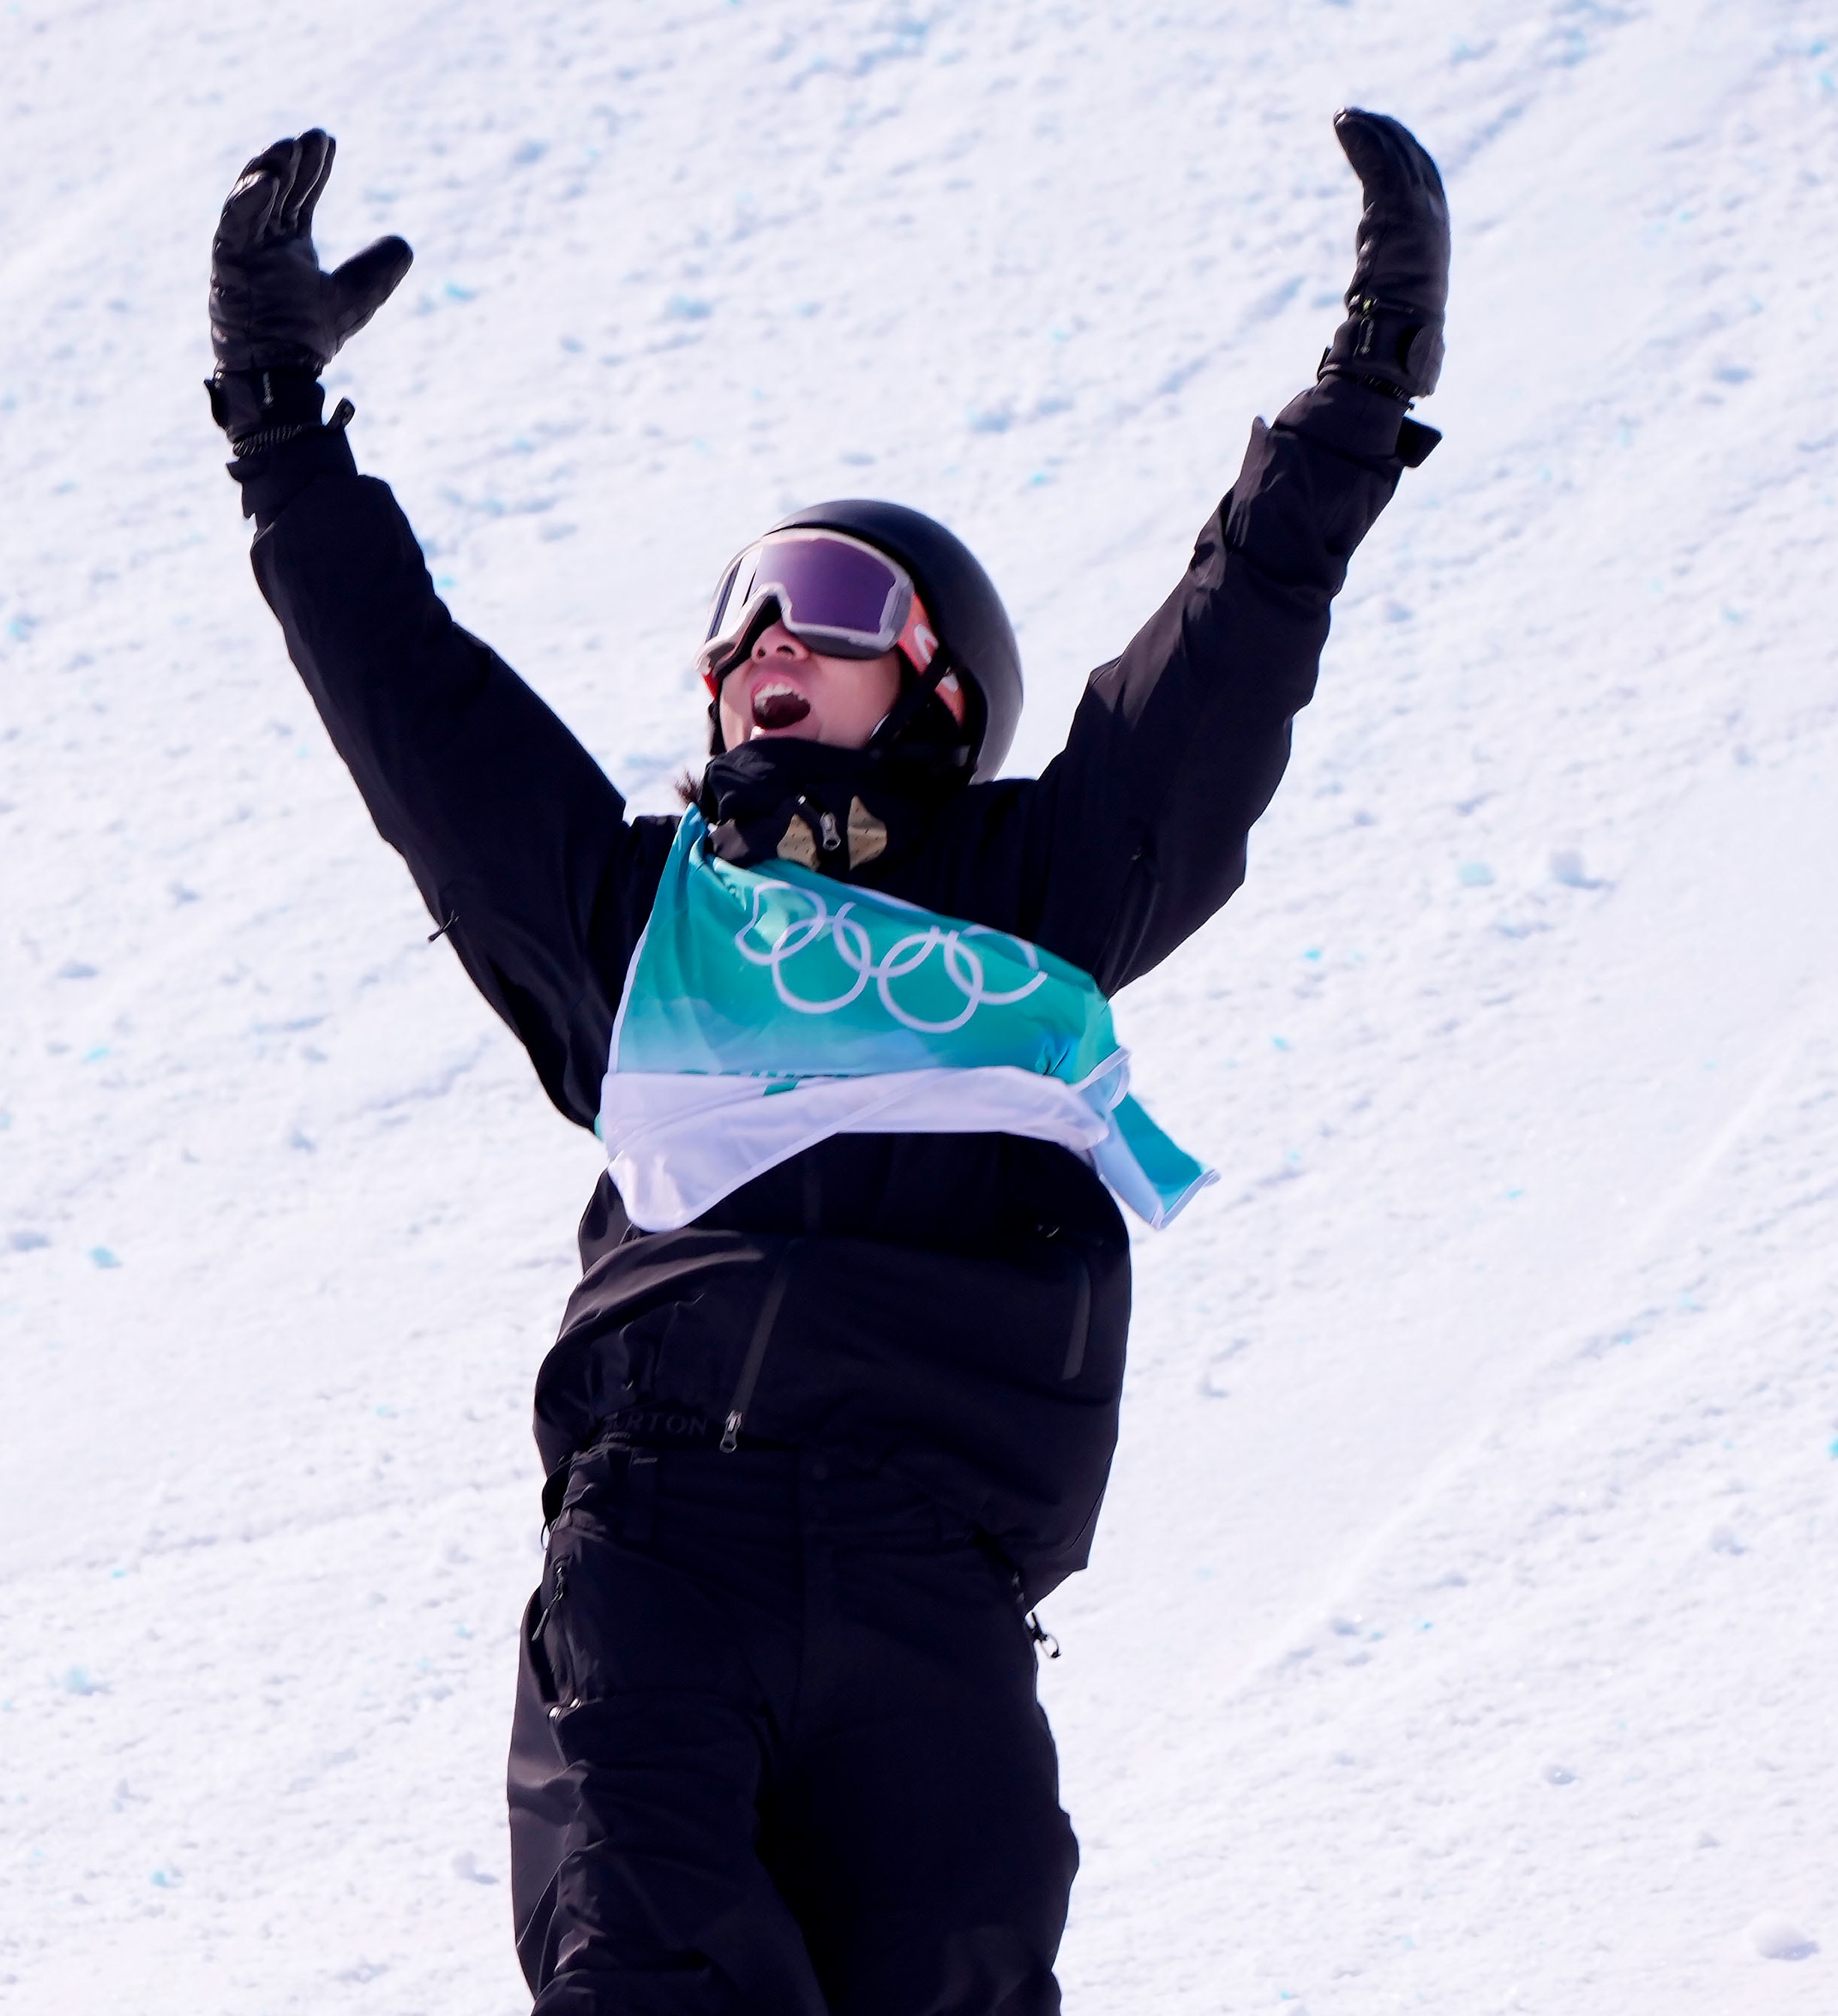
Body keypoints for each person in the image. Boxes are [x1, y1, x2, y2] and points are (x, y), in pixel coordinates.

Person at [206, 109, 1448, 2016]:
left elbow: (1220, 670)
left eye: (842, 608)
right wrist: (283, 431)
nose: (771, 641)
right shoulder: (644, 934)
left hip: (927, 1593)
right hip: (663, 1557)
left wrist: (1355, 405)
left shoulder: (1038, 899)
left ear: (947, 694)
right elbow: (421, 714)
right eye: (743, 618)